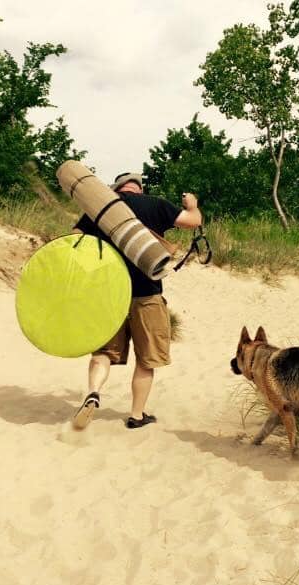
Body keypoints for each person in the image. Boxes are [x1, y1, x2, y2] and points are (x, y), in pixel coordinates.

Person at [71, 171, 203, 430]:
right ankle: (137, 415)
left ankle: (94, 392)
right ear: (139, 189)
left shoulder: (101, 209)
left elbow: (74, 238)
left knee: (103, 353)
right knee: (146, 359)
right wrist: (193, 204)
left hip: (110, 295)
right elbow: (193, 222)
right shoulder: (156, 204)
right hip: (147, 293)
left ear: (115, 189)